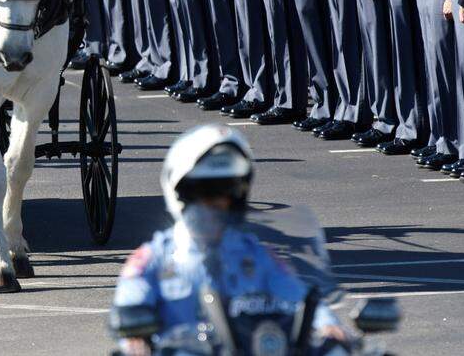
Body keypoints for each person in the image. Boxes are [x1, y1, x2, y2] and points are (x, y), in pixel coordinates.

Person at [112, 124, 348, 355]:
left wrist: (328, 326)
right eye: (206, 192)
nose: (218, 202)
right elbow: (128, 310)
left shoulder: (256, 254)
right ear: (182, 193)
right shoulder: (152, 259)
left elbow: (301, 297)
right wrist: (135, 338)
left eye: (228, 191)